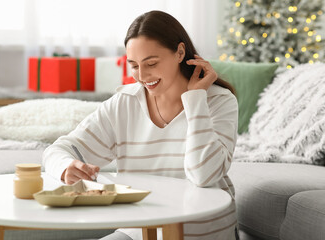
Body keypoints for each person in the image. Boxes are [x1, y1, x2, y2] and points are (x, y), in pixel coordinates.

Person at [43, 10, 239, 240]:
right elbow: (57, 150)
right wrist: (66, 167)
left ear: (180, 52)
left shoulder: (219, 101)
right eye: (134, 66)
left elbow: (204, 175)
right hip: (139, 233)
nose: (142, 76)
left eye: (151, 63)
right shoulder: (124, 103)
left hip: (202, 234)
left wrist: (195, 100)